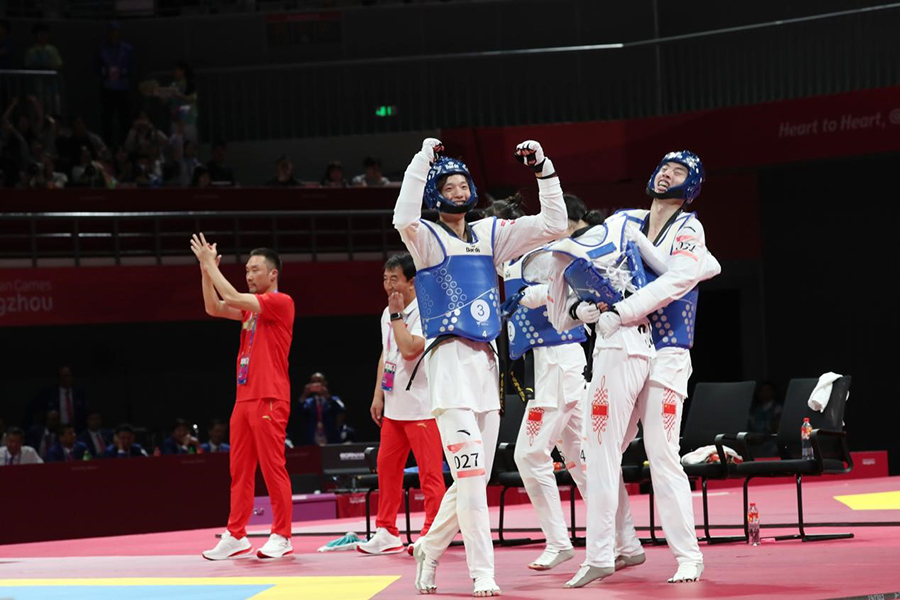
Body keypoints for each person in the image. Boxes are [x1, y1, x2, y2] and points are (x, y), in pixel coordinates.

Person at [394, 138, 567, 596]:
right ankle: (482, 572)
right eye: (447, 186)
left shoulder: (491, 233)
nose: (457, 191)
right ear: (435, 195)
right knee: (470, 478)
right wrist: (421, 161)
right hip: (449, 365)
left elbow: (554, 223)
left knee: (475, 478)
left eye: (462, 184)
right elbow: (402, 217)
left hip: (486, 366)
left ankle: (428, 548)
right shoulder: (425, 238)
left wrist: (544, 169)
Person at [597, 151, 722, 584]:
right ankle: (624, 544)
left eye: (679, 170)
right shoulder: (626, 220)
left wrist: (625, 308)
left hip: (667, 352)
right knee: (596, 451)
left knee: (662, 453)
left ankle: (688, 555)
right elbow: (594, 258)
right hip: (625, 348)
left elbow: (675, 279)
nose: (668, 173)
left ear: (691, 186)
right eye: (664, 167)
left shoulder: (689, 227)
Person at [537, 201, 657, 588]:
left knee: (599, 458)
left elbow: (668, 275)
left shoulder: (614, 228)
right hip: (640, 350)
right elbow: (559, 318)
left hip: (621, 352)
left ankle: (599, 557)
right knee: (605, 457)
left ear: (569, 219)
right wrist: (579, 310)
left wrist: (585, 312)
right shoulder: (582, 245)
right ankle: (629, 545)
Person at [490, 194, 592, 572]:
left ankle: (559, 542)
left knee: (529, 455)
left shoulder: (546, 254)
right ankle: (618, 538)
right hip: (551, 364)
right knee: (580, 460)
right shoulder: (510, 261)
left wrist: (525, 297)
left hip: (558, 363)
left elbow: (562, 290)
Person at [190, 239, 296, 561]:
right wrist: (205, 271)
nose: (248, 275)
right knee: (240, 471)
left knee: (273, 467)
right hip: (244, 397)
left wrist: (211, 265)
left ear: (273, 274)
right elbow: (214, 307)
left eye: (255, 270)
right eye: (246, 270)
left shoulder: (280, 302)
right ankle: (236, 535)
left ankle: (282, 535)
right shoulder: (250, 312)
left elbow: (233, 297)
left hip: (270, 397)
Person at [357, 253, 446, 556]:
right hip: (395, 407)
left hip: (422, 407)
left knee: (429, 475)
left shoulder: (427, 311)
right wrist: (378, 394)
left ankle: (432, 533)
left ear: (412, 281)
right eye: (385, 279)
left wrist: (397, 316)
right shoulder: (388, 312)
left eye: (394, 279)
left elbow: (409, 349)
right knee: (387, 470)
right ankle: (386, 531)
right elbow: (388, 353)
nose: (388, 285)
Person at [98, 22, 134, 146]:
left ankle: (126, 145)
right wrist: (105, 72)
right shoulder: (101, 49)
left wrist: (123, 72)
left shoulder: (127, 49)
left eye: (116, 31)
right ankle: (107, 145)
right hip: (107, 87)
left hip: (122, 87)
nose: (114, 34)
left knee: (124, 118)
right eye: (112, 31)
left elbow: (131, 67)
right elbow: (97, 68)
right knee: (107, 118)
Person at [297, 373, 346, 446]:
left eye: (319, 381)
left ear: (325, 383)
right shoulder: (308, 402)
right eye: (313, 382)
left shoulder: (333, 400)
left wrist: (328, 397)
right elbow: (299, 411)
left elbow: (342, 409)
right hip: (312, 439)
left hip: (331, 438)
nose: (316, 384)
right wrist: (304, 394)